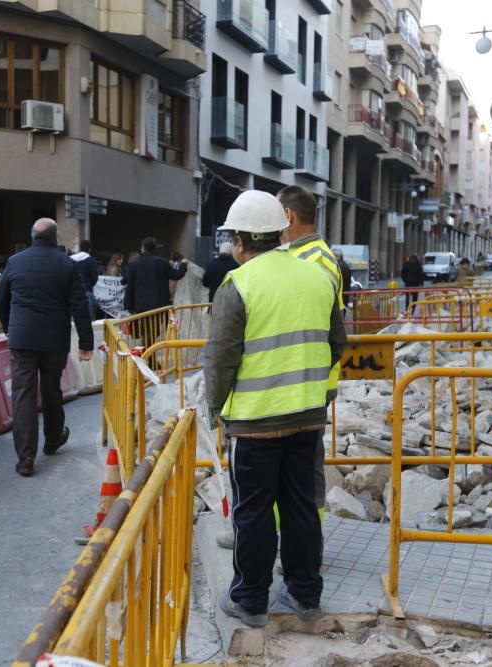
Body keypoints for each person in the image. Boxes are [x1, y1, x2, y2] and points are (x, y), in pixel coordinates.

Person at [204, 190, 345, 628]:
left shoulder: (238, 284)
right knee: (302, 506)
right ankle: (306, 597)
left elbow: (221, 359)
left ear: (242, 239)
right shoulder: (318, 277)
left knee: (254, 510)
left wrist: (213, 408)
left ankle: (251, 600)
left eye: (232, 238)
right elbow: (337, 344)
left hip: (254, 423)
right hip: (307, 416)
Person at [0, 218, 93, 478]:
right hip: (53, 340)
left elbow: (1, 299)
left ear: (32, 236)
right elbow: (80, 306)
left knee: (23, 395)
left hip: (22, 339)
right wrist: (86, 343)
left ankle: (26, 457)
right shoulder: (66, 265)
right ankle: (52, 439)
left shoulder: (15, 262)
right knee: (52, 389)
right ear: (55, 237)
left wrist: (10, 328)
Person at [278, 185, 342, 526]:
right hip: (307, 376)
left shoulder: (313, 260)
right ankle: (289, 533)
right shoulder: (307, 255)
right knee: (296, 461)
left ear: (288, 215)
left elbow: (325, 328)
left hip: (307, 378)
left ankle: (303, 536)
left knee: (302, 463)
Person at [122, 237, 188, 314]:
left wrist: (128, 306)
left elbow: (129, 286)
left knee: (143, 326)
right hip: (159, 307)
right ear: (154, 248)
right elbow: (177, 275)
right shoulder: (162, 262)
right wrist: (183, 265)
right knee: (156, 326)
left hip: (140, 307)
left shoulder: (134, 265)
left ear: (142, 248)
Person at [71, 239, 99, 319]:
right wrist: (89, 285)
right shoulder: (91, 261)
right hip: (87, 290)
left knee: (73, 318)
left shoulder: (71, 259)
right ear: (89, 249)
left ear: (80, 248)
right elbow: (95, 277)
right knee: (87, 318)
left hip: (73, 291)